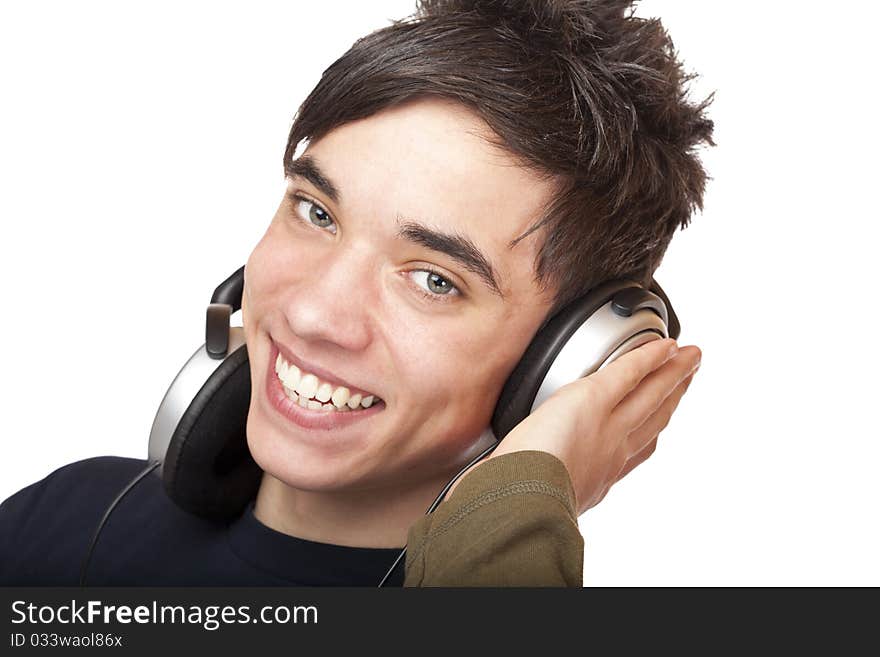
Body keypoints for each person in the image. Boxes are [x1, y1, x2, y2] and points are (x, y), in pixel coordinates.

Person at [0, 0, 711, 586]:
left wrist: (522, 502)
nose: (311, 314)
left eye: (435, 279)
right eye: (317, 212)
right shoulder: (66, 524)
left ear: (566, 368)